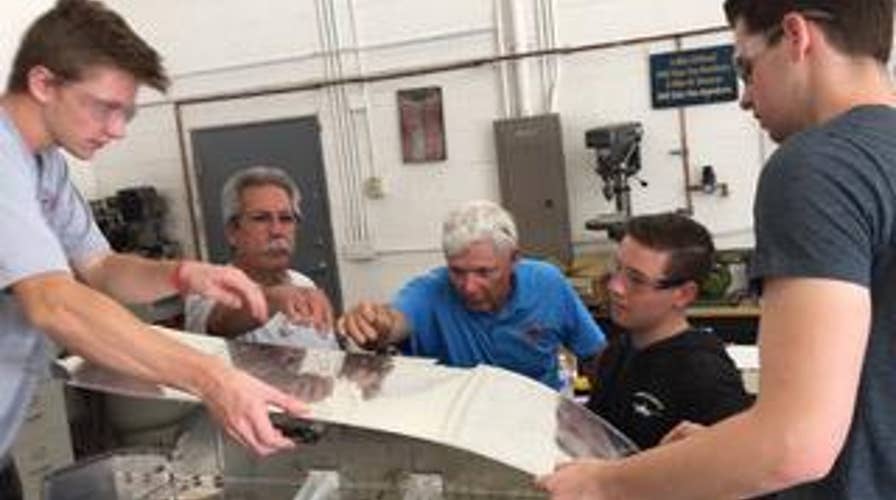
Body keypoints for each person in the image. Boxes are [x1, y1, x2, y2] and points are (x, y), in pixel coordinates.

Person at [537, 1, 896, 498]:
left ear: (796, 36)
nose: (745, 98)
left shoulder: (820, 166)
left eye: (746, 68)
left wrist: (604, 483)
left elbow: (795, 444)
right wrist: (724, 450)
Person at [0, 1, 309, 493]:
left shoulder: (46, 165)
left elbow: (100, 267)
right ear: (43, 84)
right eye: (104, 107)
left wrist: (183, 274)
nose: (118, 129)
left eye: (126, 113)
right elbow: (53, 303)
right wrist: (212, 378)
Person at [337, 199, 605, 390]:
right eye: (457, 271)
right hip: (461, 433)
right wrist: (373, 323)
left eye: (484, 272)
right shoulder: (430, 292)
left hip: (537, 425)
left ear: (514, 259)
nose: (469, 287)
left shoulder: (548, 285)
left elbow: (595, 354)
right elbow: (395, 321)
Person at [586, 213, 751, 450]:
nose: (615, 287)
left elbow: (744, 461)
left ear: (683, 294)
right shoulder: (617, 352)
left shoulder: (705, 376)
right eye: (617, 268)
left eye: (636, 280)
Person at [184, 166, 338, 350]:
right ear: (233, 232)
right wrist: (271, 298)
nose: (277, 231)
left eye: (286, 218)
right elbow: (220, 323)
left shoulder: (303, 283)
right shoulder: (209, 288)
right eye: (260, 218)